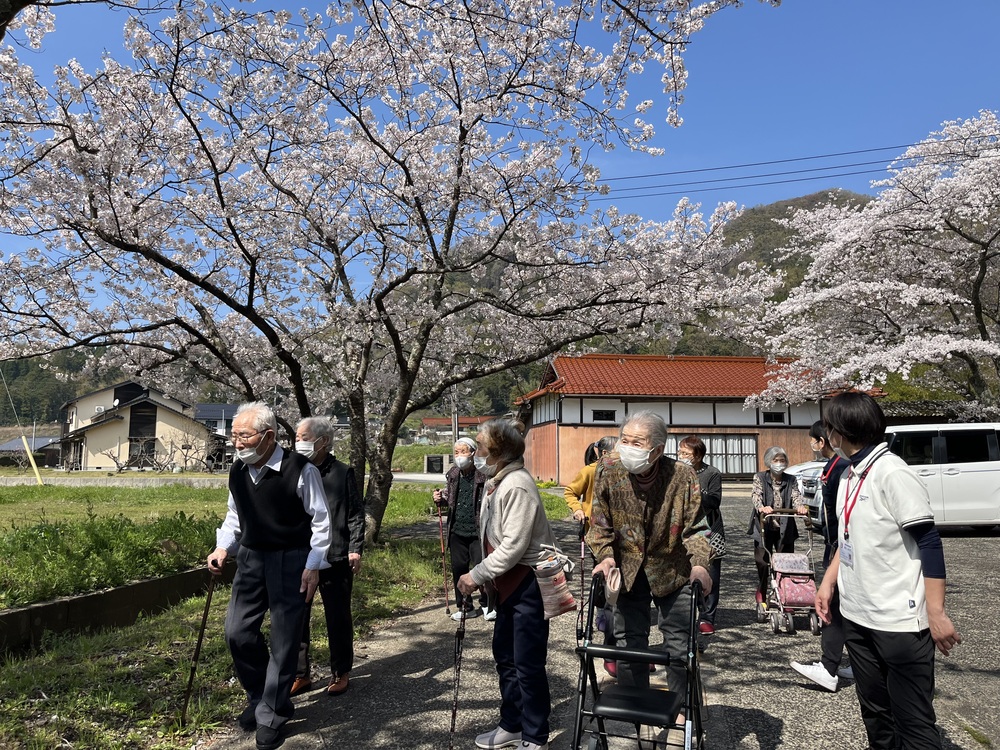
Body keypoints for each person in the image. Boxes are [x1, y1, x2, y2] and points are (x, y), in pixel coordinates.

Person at [815, 392, 961, 749]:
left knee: (913, 720)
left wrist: (936, 612)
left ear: (841, 432)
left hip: (899, 620)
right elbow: (850, 537)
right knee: (876, 713)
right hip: (858, 614)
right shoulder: (850, 473)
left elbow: (928, 542)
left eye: (830, 427)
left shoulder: (893, 473)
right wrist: (829, 582)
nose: (827, 435)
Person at [207, 402, 332, 750]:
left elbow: (321, 521)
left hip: (291, 558)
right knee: (237, 631)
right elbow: (234, 516)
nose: (237, 443)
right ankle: (260, 696)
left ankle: (273, 712)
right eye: (234, 436)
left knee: (284, 640)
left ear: (269, 437)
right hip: (250, 558)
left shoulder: (299, 469)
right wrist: (222, 548)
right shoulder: (237, 471)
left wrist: (314, 565)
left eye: (244, 437)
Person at [588, 411, 713, 699]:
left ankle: (682, 709)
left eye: (637, 442)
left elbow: (696, 529)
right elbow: (599, 523)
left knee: (680, 645)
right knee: (629, 644)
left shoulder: (682, 476)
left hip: (673, 569)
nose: (628, 447)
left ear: (658, 449)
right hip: (627, 571)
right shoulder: (608, 468)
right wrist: (605, 557)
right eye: (625, 440)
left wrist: (701, 565)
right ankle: (635, 706)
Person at [457, 418, 555, 750]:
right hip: (506, 585)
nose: (476, 452)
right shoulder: (497, 481)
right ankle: (512, 725)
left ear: (499, 451)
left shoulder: (516, 484)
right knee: (506, 657)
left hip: (527, 582)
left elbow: (513, 547)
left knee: (527, 663)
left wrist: (475, 575)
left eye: (481, 447)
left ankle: (535, 735)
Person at [290, 416, 366, 697]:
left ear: (323, 441)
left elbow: (355, 513)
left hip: (335, 555)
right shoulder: (293, 469)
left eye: (305, 438)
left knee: (337, 617)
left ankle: (340, 671)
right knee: (298, 615)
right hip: (301, 554)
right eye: (298, 438)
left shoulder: (343, 472)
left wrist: (355, 547)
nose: (299, 443)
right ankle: (300, 674)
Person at [790, 421, 853, 691]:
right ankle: (855, 663)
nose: (812, 445)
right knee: (842, 605)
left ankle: (829, 667)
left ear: (822, 440)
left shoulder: (840, 467)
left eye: (813, 440)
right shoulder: (832, 466)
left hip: (842, 546)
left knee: (831, 605)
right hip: (835, 542)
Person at [433, 436, 489, 622]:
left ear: (473, 453)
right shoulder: (453, 474)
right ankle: (465, 606)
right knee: (459, 569)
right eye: (456, 452)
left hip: (478, 531)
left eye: (463, 451)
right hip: (457, 530)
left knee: (482, 568)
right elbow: (450, 498)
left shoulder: (483, 475)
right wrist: (440, 498)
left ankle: (488, 602)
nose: (459, 456)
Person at [748, 445, 808, 605]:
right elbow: (756, 495)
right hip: (764, 526)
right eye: (776, 460)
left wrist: (800, 507)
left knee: (786, 561)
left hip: (785, 526)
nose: (779, 463)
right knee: (762, 561)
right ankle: (762, 589)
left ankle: (784, 592)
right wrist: (761, 507)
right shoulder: (760, 477)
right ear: (769, 461)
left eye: (782, 460)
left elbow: (796, 496)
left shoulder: (791, 479)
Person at [677, 436, 723, 635]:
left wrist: (692, 491)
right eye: (680, 452)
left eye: (686, 453)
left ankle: (706, 616)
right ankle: (684, 614)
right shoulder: (675, 472)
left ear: (698, 455)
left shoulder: (712, 473)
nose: (682, 456)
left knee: (709, 572)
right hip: (682, 530)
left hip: (710, 530)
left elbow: (714, 501)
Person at [563, 436, 617, 527]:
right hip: (594, 528)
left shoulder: (624, 471)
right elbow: (570, 492)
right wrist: (577, 509)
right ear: (605, 453)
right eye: (620, 452)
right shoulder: (589, 471)